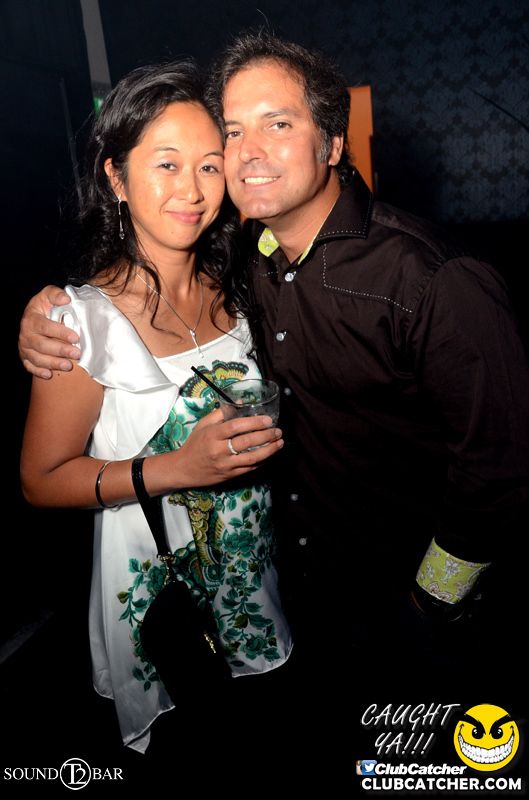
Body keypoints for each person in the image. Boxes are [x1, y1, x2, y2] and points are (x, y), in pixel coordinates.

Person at [19, 33, 529, 683]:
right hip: (293, 595)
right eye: (232, 133)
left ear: (333, 143)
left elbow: (499, 472)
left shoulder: (433, 279)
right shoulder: (249, 265)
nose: (246, 153)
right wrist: (45, 315)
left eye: (277, 124)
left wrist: (429, 604)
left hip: (406, 606)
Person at [20, 60, 292, 754]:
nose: (192, 190)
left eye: (209, 166)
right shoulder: (80, 324)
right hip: (162, 604)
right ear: (116, 177)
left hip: (256, 582)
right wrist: (176, 468)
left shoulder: (246, 284)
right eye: (166, 164)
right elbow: (40, 481)